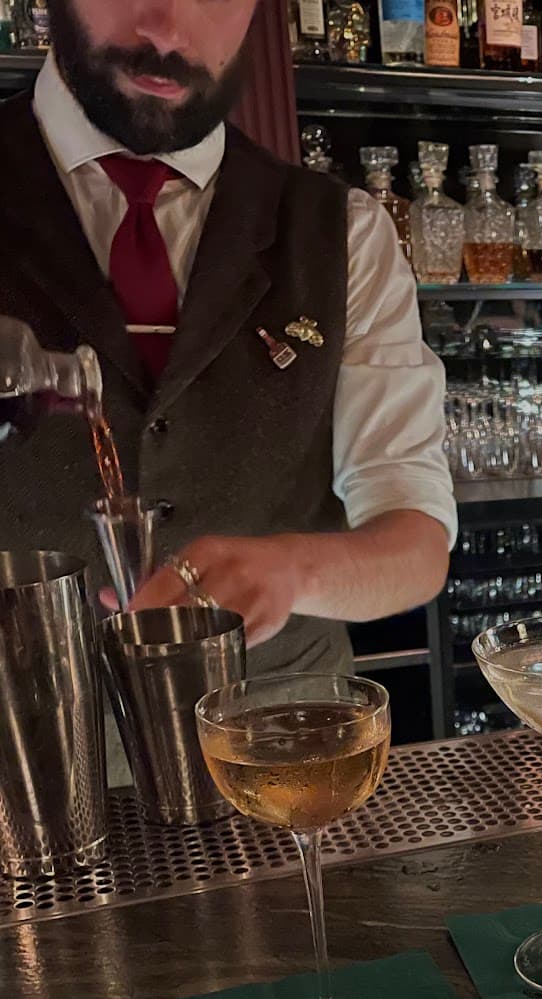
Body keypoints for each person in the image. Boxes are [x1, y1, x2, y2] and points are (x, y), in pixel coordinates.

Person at [0, 0, 455, 679]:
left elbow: (415, 543)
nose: (169, 29)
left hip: (282, 758)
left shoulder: (344, 233)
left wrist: (294, 571)